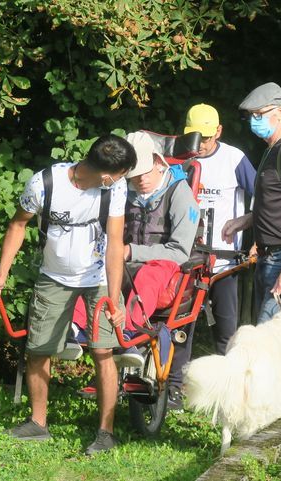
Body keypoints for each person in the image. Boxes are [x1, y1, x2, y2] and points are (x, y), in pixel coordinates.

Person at [0, 134, 136, 454]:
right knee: (39, 349)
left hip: (97, 278)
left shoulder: (116, 189)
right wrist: (2, 274)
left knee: (103, 351)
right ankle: (38, 424)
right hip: (53, 277)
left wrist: (113, 298)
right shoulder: (44, 184)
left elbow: (114, 244)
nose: (124, 180)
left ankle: (105, 433)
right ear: (108, 174)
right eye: (123, 173)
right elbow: (17, 225)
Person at [73, 130, 200, 411]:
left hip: (166, 267)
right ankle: (78, 328)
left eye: (145, 172)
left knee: (148, 275)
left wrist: (131, 252)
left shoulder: (179, 194)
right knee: (95, 274)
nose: (140, 179)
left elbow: (179, 251)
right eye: (134, 174)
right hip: (124, 263)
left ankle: (128, 335)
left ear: (158, 162)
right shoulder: (122, 191)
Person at [221, 82, 281, 409]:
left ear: (280, 113)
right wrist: (247, 224)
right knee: (278, 344)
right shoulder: (272, 150)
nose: (254, 121)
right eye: (250, 116)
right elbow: (277, 205)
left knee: (267, 344)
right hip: (270, 256)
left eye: (259, 115)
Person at [183, 103, 256, 355]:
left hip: (224, 262)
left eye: (204, 137)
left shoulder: (234, 158)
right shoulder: (182, 157)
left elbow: (265, 197)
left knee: (227, 334)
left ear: (218, 131)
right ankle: (174, 387)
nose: (199, 143)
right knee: (180, 329)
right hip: (186, 259)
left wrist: (247, 219)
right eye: (194, 136)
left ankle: (229, 389)